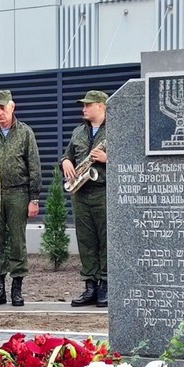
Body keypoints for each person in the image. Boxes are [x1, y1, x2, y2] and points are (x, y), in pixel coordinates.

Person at [0, 89, 41, 307]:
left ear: (12, 107)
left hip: (18, 193)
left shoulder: (25, 133)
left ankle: (17, 289)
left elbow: (34, 166)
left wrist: (34, 198)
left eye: (3, 108)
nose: (0, 113)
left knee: (17, 242)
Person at [62, 90, 109, 308]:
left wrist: (107, 158)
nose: (84, 109)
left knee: (105, 239)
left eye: (88, 105)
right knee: (86, 240)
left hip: (103, 191)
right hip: (81, 192)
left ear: (101, 105)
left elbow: (130, 159)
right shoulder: (78, 131)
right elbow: (68, 154)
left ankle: (105, 285)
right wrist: (65, 162)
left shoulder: (115, 129)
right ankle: (90, 286)